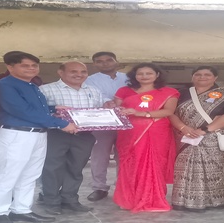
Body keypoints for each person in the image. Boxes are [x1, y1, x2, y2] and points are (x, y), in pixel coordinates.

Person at [0, 51, 78, 223]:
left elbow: (33, 108)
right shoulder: (4, 86)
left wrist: (54, 108)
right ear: (10, 67)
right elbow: (21, 111)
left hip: (37, 134)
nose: (31, 69)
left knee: (31, 174)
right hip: (16, 134)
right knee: (9, 174)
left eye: (34, 65)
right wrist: (61, 123)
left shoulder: (31, 85)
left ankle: (21, 209)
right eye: (25, 65)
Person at [167, 66, 224, 211]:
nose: (202, 77)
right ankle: (183, 201)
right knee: (184, 171)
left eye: (207, 74)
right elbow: (171, 113)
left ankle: (217, 201)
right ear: (192, 77)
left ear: (215, 78)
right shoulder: (181, 94)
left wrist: (205, 130)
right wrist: (183, 128)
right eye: (198, 74)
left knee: (216, 171)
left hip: (215, 140)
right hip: (186, 139)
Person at [39, 61, 105, 214]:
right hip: (55, 134)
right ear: (61, 72)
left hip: (84, 136)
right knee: (52, 168)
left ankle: (70, 199)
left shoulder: (94, 91)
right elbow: (39, 112)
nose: (79, 75)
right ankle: (51, 201)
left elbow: (99, 112)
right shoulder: (45, 90)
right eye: (73, 71)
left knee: (76, 168)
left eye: (83, 72)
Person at [113, 63, 179, 213]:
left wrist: (140, 113)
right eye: (140, 73)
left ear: (157, 75)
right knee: (130, 163)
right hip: (129, 132)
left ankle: (152, 199)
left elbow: (168, 111)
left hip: (155, 132)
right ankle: (128, 200)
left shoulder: (168, 92)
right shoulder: (124, 91)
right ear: (134, 76)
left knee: (153, 164)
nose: (144, 76)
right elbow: (117, 110)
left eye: (149, 73)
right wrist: (117, 108)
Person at [83, 51, 128, 202]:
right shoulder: (89, 80)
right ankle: (99, 188)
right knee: (99, 155)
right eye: (100, 61)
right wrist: (109, 102)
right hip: (102, 121)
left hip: (127, 120)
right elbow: (92, 96)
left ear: (116, 61)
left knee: (124, 155)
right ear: (94, 64)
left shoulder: (128, 78)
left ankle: (122, 187)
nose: (105, 63)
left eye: (109, 60)